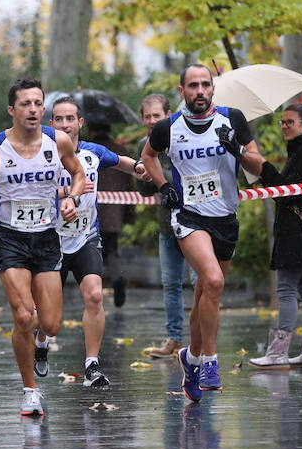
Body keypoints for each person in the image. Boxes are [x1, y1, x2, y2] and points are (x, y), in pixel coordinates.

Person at [141, 64, 263, 402]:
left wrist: (236, 148)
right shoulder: (168, 127)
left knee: (204, 295)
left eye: (205, 85)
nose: (199, 91)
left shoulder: (233, 120)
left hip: (225, 216)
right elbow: (148, 155)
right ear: (181, 91)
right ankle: (209, 360)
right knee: (213, 282)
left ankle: (190, 356)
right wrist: (164, 185)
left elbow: (259, 165)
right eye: (192, 85)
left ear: (212, 89)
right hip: (189, 216)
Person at [0, 78, 85, 416]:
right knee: (23, 315)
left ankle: (40, 341)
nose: (33, 109)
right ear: (12, 110)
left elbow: (77, 174)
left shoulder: (58, 141)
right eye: (25, 104)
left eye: (38, 103)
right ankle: (30, 391)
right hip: (10, 238)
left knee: (50, 324)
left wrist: (73, 198)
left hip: (47, 238)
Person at [49, 96, 152, 389]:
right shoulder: (41, 155)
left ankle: (92, 364)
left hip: (85, 237)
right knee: (46, 316)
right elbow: (25, 192)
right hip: (51, 240)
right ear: (51, 124)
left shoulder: (94, 152)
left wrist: (141, 168)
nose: (65, 124)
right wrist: (64, 193)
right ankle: (42, 340)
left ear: (80, 123)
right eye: (59, 119)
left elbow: (124, 163)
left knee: (95, 296)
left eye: (70, 119)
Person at [250, 102, 302, 369]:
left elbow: (286, 191)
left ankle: (278, 353)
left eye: (289, 122)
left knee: (286, 289)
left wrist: (264, 167)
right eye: (282, 122)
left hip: (296, 233)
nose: (284, 126)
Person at [137, 94, 195, 359]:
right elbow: (143, 191)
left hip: (196, 222)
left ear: (168, 114)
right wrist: (144, 174)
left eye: (156, 116)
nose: (151, 121)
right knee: (170, 283)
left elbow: (189, 176)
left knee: (199, 282)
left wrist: (161, 176)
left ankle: (200, 340)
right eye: (147, 116)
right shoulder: (143, 144)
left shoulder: (183, 137)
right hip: (167, 224)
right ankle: (174, 338)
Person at [87, 123, 133, 307]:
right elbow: (130, 182)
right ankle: (117, 277)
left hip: (90, 212)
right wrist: (129, 214)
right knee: (111, 250)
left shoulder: (87, 152)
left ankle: (97, 286)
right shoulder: (120, 151)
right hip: (115, 212)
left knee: (90, 252)